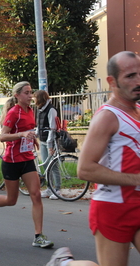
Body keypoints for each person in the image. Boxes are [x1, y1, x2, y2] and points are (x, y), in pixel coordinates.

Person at [47, 51, 140, 266]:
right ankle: (64, 263)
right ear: (112, 81)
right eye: (130, 76)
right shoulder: (107, 116)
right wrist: (136, 179)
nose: (138, 81)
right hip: (113, 207)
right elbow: (85, 169)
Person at [0, 81, 53, 248]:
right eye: (26, 92)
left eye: (31, 92)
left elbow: (28, 131)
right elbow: (2, 136)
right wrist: (22, 134)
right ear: (17, 95)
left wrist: (32, 140)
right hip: (11, 161)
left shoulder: (31, 111)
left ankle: (38, 236)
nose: (30, 95)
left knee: (36, 195)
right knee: (11, 200)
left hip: (27, 159)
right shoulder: (13, 113)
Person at [34, 90, 61, 200]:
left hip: (51, 141)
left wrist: (50, 145)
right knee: (46, 166)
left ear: (40, 99)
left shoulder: (51, 110)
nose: (34, 100)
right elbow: (40, 126)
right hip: (43, 140)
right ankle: (50, 188)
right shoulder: (40, 110)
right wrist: (35, 134)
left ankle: (58, 189)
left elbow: (52, 128)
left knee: (53, 166)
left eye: (35, 98)